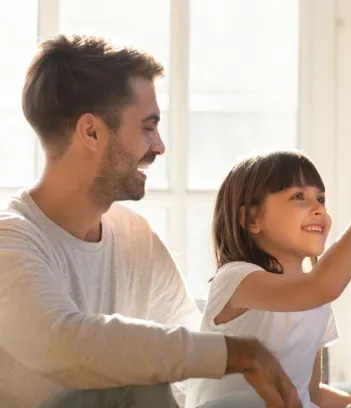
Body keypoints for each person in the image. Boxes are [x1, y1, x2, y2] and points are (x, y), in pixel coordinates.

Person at [0, 34, 300, 408]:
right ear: (91, 131)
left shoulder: (133, 237)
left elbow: (188, 345)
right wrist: (239, 352)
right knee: (132, 387)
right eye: (147, 126)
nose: (159, 146)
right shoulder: (10, 240)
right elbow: (62, 343)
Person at [185, 130, 351, 407]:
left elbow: (313, 393)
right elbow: (321, 285)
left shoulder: (317, 302)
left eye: (321, 199)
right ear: (251, 218)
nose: (318, 209)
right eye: (298, 197)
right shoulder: (236, 279)